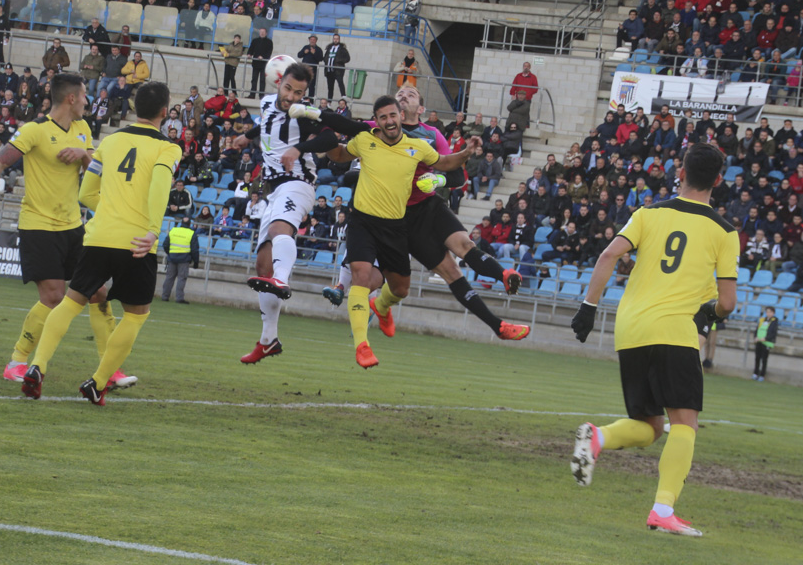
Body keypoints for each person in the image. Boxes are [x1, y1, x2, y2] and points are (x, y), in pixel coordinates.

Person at [568, 143, 738, 537]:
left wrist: (588, 307)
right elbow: (727, 302)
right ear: (718, 180)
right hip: (675, 332)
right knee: (685, 423)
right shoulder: (724, 231)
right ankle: (663, 509)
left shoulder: (648, 212)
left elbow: (610, 254)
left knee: (650, 425)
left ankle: (600, 437)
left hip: (631, 328)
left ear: (680, 172)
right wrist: (709, 313)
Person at [319, 85, 529, 343]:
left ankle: (504, 279)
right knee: (448, 271)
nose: (404, 94)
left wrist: (436, 179)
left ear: (420, 108)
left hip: (429, 206)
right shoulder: (374, 127)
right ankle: (376, 304)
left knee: (465, 245)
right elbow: (345, 139)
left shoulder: (432, 135)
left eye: (411, 93)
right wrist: (321, 124)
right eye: (400, 93)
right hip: (396, 217)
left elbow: (455, 173)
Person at [19, 82, 178, 405]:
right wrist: (151, 230)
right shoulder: (168, 148)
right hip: (135, 241)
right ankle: (98, 382)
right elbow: (160, 186)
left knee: (70, 302)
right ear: (165, 111)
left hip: (98, 236)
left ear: (133, 108)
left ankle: (37, 366)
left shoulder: (110, 140)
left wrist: (109, 211)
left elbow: (85, 193)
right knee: (135, 314)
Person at [0, 72, 131, 385]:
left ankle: (110, 370)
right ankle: (18, 361)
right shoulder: (34, 130)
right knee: (53, 296)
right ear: (71, 98)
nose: (89, 101)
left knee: (99, 292)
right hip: (39, 225)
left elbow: (96, 170)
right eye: (86, 95)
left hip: (73, 226)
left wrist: (84, 154)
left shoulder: (83, 129)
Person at [321, 95, 478, 368]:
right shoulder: (365, 140)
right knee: (360, 275)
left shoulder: (417, 147)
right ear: (377, 122)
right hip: (362, 221)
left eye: (392, 115)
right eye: (382, 117)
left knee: (401, 289)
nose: (389, 121)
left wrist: (465, 154)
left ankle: (381, 306)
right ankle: (362, 345)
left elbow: (445, 164)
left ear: (400, 116)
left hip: (395, 226)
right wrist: (325, 139)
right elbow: (339, 155)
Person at [234, 63, 342, 364]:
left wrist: (299, 149)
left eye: (300, 93)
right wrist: (248, 136)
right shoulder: (268, 102)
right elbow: (266, 123)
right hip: (271, 190)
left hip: (298, 183)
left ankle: (283, 279)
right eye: (289, 89)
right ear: (278, 82)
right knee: (262, 265)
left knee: (281, 231)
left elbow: (330, 140)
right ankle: (268, 340)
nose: (292, 97)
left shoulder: (303, 113)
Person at [161, 217, 200, 303]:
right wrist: (196, 262)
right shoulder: (191, 233)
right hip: (184, 259)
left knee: (169, 278)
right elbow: (194, 249)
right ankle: (179, 298)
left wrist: (170, 253)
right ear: (189, 224)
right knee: (181, 278)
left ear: (181, 223)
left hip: (172, 258)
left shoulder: (173, 230)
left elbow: (165, 245)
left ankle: (165, 296)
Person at [752, 306, 778, 382]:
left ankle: (762, 374)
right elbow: (757, 329)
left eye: (770, 312)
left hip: (766, 342)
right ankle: (755, 373)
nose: (768, 313)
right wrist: (755, 337)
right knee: (757, 358)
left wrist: (766, 338)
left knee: (764, 359)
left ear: (773, 313)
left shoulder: (774, 321)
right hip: (759, 341)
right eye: (767, 312)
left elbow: (773, 332)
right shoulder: (762, 320)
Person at [247, 27, 273, 98]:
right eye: (261, 32)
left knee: (262, 80)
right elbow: (251, 49)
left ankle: (261, 95)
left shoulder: (269, 42)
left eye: (263, 32)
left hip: (264, 64)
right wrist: (249, 54)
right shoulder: (255, 41)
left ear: (266, 33)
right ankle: (252, 94)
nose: (262, 33)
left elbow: (269, 52)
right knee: (254, 79)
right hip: (256, 63)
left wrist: (263, 57)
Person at [323, 34, 350, 99]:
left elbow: (347, 58)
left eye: (337, 39)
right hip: (329, 70)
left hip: (338, 70)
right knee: (330, 87)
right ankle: (329, 102)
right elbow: (325, 57)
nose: (335, 40)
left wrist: (339, 61)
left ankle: (343, 97)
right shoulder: (329, 48)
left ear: (339, 39)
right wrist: (326, 61)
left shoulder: (342, 49)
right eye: (334, 38)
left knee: (340, 83)